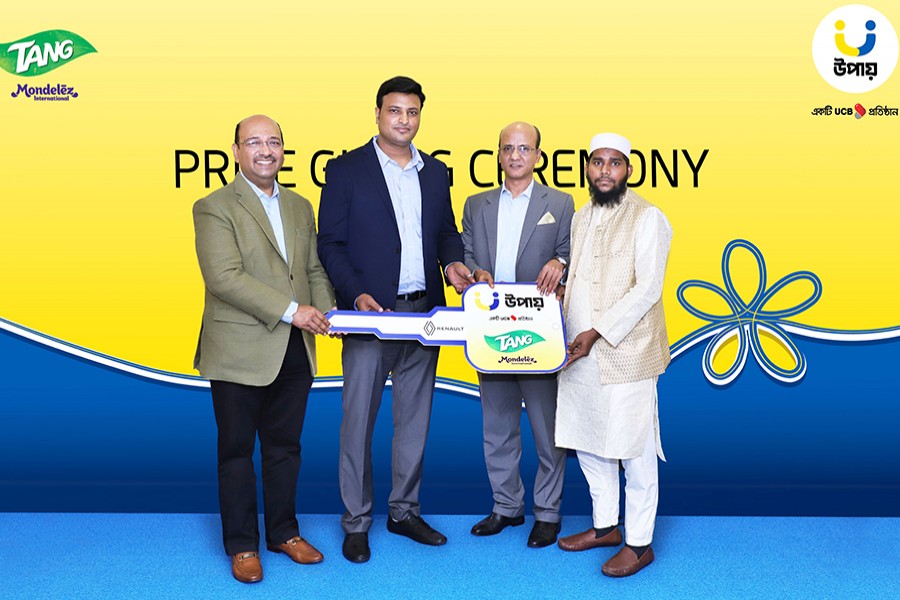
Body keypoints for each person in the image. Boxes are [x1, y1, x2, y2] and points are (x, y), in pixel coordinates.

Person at [316, 76, 472, 563]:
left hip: (425, 316)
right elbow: (330, 243)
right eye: (395, 111)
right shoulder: (346, 170)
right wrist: (355, 294)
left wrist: (454, 264)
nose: (404, 120)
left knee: (414, 423)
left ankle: (404, 512)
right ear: (378, 114)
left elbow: (446, 233)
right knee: (357, 423)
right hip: (370, 316)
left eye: (412, 112)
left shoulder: (436, 172)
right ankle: (356, 522)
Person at [193, 115, 336, 584]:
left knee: (285, 448)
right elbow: (224, 277)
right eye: (254, 142)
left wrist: (329, 314)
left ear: (283, 150)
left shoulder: (299, 205)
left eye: (273, 142)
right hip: (238, 349)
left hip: (295, 348)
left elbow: (312, 269)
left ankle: (283, 533)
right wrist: (294, 311)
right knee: (236, 451)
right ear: (236, 151)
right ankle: (242, 545)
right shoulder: (213, 206)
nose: (265, 150)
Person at [554, 132, 672, 577]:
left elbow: (648, 288)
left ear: (628, 170)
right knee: (588, 440)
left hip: (628, 352)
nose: (605, 171)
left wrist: (597, 332)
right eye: (597, 162)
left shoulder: (648, 217)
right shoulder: (581, 216)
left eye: (614, 163)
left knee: (633, 448)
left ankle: (639, 544)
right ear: (587, 168)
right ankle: (605, 526)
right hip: (578, 351)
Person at [460, 121, 574, 548]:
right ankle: (506, 506)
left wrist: (561, 262)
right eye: (508, 148)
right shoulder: (476, 204)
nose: (515, 156)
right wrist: (475, 272)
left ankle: (548, 513)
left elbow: (572, 251)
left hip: (538, 330)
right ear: (499, 154)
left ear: (538, 156)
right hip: (492, 329)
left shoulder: (560, 203)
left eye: (524, 148)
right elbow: (468, 254)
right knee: (497, 425)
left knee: (547, 428)